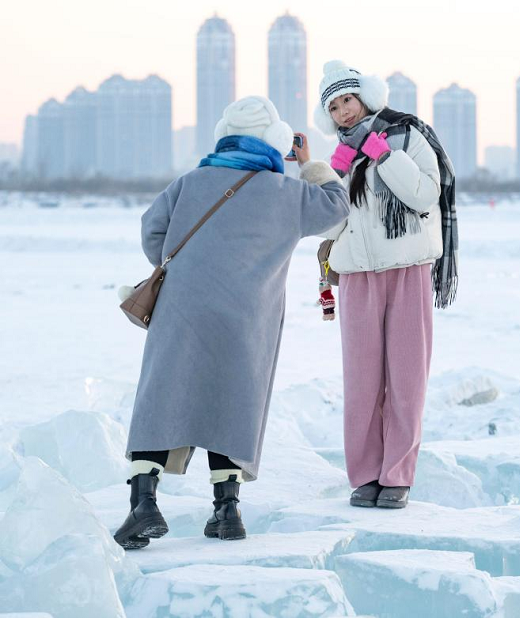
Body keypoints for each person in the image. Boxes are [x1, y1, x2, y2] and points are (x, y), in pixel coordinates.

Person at [114, 96, 350, 549]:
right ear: (276, 142)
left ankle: (143, 504)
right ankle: (227, 512)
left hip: (182, 307)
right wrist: (308, 163)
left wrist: (182, 267)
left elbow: (152, 230)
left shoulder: (191, 181)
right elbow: (337, 208)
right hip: (248, 317)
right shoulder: (288, 193)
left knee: (161, 395)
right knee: (234, 401)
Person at [312, 61, 458, 509]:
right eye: (333, 107)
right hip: (358, 276)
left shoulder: (408, 135)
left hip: (408, 267)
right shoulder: (340, 156)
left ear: (366, 98)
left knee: (406, 377)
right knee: (361, 382)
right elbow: (330, 221)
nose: (343, 112)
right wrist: (318, 174)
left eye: (347, 101)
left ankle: (396, 475)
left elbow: (423, 195)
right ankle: (365, 475)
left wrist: (383, 155)